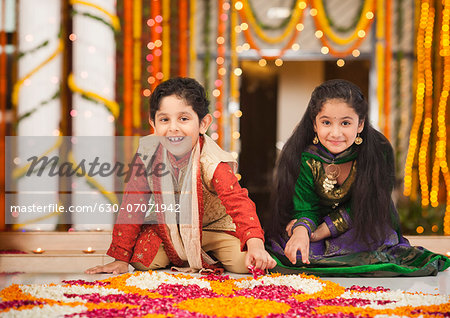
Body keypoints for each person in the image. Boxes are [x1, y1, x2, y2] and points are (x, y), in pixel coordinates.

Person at [86, 77, 276, 275]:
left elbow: (239, 203)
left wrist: (255, 245)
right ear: (153, 123)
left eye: (183, 119)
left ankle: (200, 253)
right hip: (169, 229)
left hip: (214, 229)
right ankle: (193, 253)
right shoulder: (147, 154)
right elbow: (133, 205)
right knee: (142, 261)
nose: (173, 128)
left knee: (244, 264)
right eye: (164, 119)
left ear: (203, 123)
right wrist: (120, 258)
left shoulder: (212, 160)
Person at [265, 79, 450, 276]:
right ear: (315, 124)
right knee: (290, 249)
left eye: (345, 123)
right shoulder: (306, 156)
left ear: (360, 124)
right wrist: (302, 231)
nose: (336, 133)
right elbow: (305, 207)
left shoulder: (378, 152)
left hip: (361, 224)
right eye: (326, 122)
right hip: (314, 224)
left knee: (377, 246)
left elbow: (363, 207)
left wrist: (318, 233)